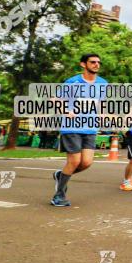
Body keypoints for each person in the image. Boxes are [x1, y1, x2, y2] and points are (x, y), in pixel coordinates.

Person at [51, 53, 108, 207]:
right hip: (71, 126)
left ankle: (60, 175)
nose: (97, 64)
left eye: (98, 62)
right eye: (93, 62)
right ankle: (58, 196)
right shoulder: (72, 82)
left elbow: (100, 103)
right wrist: (65, 111)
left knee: (87, 163)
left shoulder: (102, 83)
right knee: (74, 161)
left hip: (90, 128)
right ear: (83, 64)